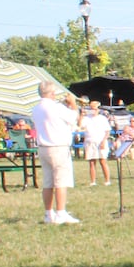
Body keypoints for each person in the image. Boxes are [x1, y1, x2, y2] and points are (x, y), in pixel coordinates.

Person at [30, 81, 81, 224]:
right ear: (52, 93)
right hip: (58, 147)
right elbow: (73, 117)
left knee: (48, 182)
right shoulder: (55, 107)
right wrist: (73, 104)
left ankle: (48, 214)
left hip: (43, 147)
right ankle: (60, 213)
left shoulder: (36, 108)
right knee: (61, 181)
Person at [80, 101, 113, 186]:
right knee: (91, 162)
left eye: (94, 109)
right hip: (90, 141)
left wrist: (103, 141)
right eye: (91, 108)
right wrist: (82, 114)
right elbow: (80, 125)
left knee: (103, 161)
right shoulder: (87, 118)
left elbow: (107, 131)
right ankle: (93, 181)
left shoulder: (102, 118)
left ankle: (107, 180)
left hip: (101, 141)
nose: (93, 110)